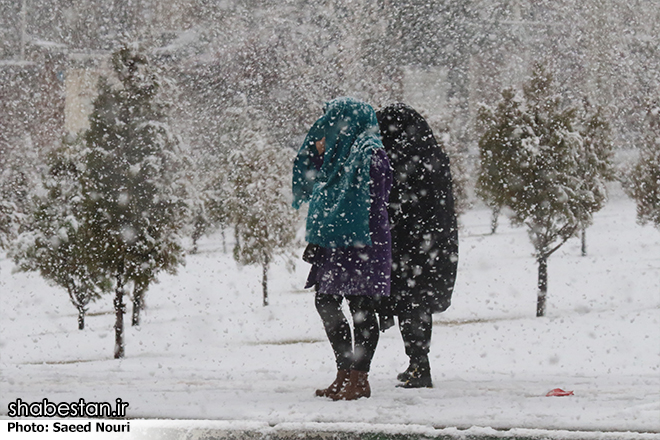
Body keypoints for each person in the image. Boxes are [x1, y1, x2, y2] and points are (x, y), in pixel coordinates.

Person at [292, 97, 392, 401]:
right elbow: (311, 172)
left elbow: (375, 199)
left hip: (362, 241)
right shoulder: (342, 152)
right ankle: (344, 371)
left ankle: (360, 379)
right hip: (337, 241)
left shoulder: (371, 152)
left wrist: (338, 211)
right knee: (326, 301)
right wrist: (317, 151)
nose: (328, 127)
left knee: (361, 307)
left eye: (334, 121)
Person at [376, 103, 459, 389]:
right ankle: (416, 363)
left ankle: (420, 367)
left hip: (410, 246)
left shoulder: (402, 160)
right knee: (415, 304)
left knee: (411, 306)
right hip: (432, 244)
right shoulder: (431, 155)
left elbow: (397, 202)